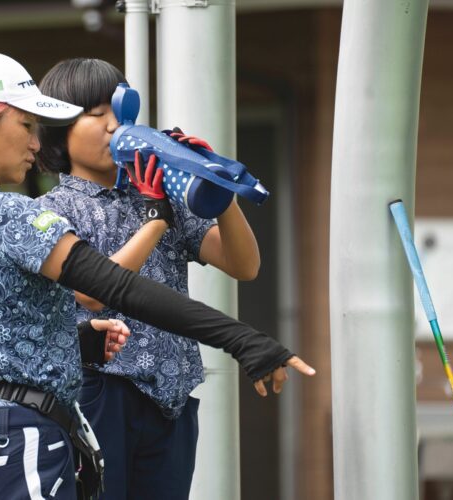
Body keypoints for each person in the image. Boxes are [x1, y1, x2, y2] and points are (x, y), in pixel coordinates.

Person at [0, 51, 313, 500]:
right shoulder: (11, 214)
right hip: (21, 436)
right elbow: (112, 288)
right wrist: (242, 338)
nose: (35, 142)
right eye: (26, 126)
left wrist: (77, 341)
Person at [35, 58, 304, 499]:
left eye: (118, 113)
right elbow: (91, 293)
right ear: (57, 129)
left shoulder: (159, 193)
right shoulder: (54, 210)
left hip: (171, 396)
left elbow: (245, 265)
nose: (111, 126)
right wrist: (155, 221)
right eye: (95, 114)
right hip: (100, 392)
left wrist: (213, 184)